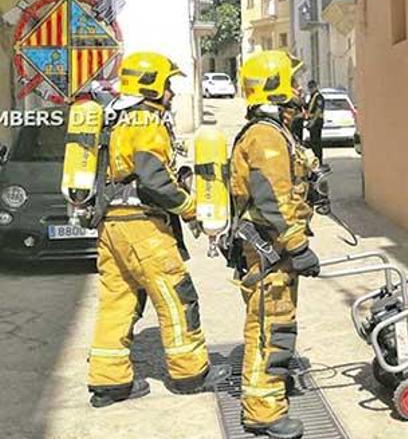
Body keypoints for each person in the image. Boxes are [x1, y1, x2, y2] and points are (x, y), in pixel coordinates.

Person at [87, 52, 230, 408]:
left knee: (117, 301)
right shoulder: (146, 121)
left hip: (111, 224)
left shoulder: (116, 119)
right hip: (143, 228)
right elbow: (153, 181)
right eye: (167, 85)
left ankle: (109, 382)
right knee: (176, 296)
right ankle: (189, 374)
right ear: (151, 85)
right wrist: (190, 206)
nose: (170, 93)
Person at [229, 50, 321, 439]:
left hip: (273, 248)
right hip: (270, 249)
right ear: (277, 87)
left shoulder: (274, 132)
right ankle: (262, 412)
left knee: (277, 323)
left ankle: (269, 393)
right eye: (293, 82)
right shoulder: (265, 136)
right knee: (269, 326)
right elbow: (272, 200)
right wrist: (298, 246)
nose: (300, 90)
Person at [305, 80, 325, 167]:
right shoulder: (312, 96)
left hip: (316, 122)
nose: (311, 89)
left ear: (316, 87)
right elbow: (308, 107)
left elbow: (318, 110)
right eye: (310, 88)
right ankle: (315, 160)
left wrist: (312, 122)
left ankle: (319, 161)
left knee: (316, 142)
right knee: (313, 142)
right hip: (312, 121)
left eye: (312, 87)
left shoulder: (319, 97)